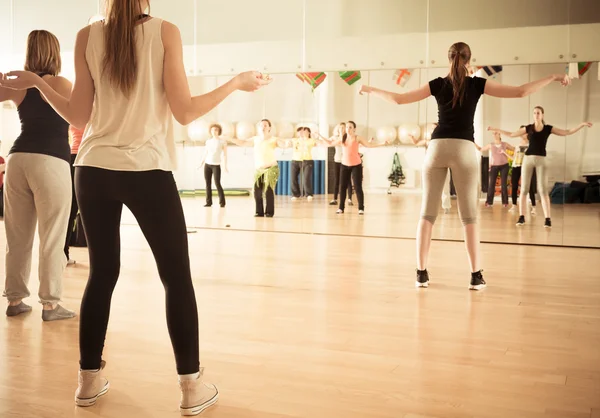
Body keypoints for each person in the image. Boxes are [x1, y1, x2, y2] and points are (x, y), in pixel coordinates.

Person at [0, 0, 270, 414]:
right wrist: (236, 82)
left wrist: (38, 83)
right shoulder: (165, 31)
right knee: (176, 278)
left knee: (102, 275)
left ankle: (87, 383)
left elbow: (78, 116)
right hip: (146, 169)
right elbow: (185, 111)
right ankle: (190, 388)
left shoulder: (86, 35)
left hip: (91, 169)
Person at [359, 41, 570, 290]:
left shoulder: (437, 84)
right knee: (469, 217)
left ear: (448, 59)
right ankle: (475, 276)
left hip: (436, 148)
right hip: (463, 150)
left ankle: (421, 274)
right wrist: (554, 76)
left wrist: (370, 89)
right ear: (469, 60)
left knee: (427, 215)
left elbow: (399, 99)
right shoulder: (476, 84)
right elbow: (521, 91)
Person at [0, 30, 75, 321]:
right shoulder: (61, 83)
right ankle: (51, 305)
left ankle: (15, 300)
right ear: (55, 52)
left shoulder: (19, 86)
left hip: (18, 159)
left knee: (17, 236)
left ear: (29, 52)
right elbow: (73, 115)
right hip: (51, 161)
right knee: (52, 236)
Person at [488, 107, 592, 228]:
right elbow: (512, 134)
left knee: (542, 190)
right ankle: (522, 217)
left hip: (541, 160)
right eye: (534, 113)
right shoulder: (529, 128)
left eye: (538, 113)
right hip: (528, 159)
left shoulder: (548, 128)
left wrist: (582, 125)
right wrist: (496, 129)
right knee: (524, 190)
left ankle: (548, 219)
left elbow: (567, 132)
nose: (536, 115)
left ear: (542, 115)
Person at [322, 121, 388, 215]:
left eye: (350, 127)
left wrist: (382, 144)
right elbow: (330, 142)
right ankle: (341, 208)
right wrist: (319, 136)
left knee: (358, 187)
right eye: (347, 127)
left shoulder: (357, 138)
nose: (348, 129)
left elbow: (369, 145)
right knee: (342, 187)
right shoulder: (343, 138)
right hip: (344, 165)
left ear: (354, 129)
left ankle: (361, 208)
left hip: (356, 165)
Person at [227, 119, 287, 217]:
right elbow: (242, 143)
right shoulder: (255, 139)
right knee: (257, 191)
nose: (263, 127)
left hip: (271, 169)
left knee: (268, 190)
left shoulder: (273, 139)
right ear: (259, 128)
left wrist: (286, 144)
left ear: (269, 128)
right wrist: (230, 139)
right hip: (259, 170)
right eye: (261, 125)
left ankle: (269, 212)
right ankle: (259, 212)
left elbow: (283, 145)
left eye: (265, 125)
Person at [475, 131, 514, 207]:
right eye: (493, 134)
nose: (494, 135)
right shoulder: (491, 145)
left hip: (504, 166)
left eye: (496, 133)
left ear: (500, 134)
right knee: (491, 184)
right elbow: (480, 149)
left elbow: (514, 149)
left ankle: (505, 202)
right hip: (494, 166)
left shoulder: (504, 144)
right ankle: (489, 202)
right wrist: (473, 143)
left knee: (503, 184)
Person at [65, 125, 85, 264]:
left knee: (70, 209)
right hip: (87, 156)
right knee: (72, 209)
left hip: (71, 157)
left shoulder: (73, 113)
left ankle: (63, 253)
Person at [508, 126, 537, 214]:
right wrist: (505, 153)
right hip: (516, 166)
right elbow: (514, 158)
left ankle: (534, 207)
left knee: (530, 187)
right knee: (514, 186)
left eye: (523, 132)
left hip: (527, 167)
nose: (522, 134)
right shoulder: (517, 146)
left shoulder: (531, 144)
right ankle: (514, 205)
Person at [198, 123, 227, 208]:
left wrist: (225, 165)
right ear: (210, 131)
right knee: (207, 184)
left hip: (216, 165)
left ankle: (222, 202)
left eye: (216, 130)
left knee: (217, 183)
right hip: (207, 164)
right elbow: (205, 153)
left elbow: (225, 154)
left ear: (219, 131)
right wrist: (201, 163)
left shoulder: (222, 142)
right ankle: (208, 202)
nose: (214, 131)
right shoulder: (208, 142)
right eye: (212, 130)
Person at [326, 123, 353, 206]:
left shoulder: (348, 137)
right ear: (337, 129)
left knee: (348, 180)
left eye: (343, 128)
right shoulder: (335, 137)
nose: (342, 129)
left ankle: (349, 199)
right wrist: (318, 137)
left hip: (346, 161)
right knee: (337, 180)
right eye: (340, 128)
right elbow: (328, 141)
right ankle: (334, 199)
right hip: (337, 160)